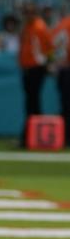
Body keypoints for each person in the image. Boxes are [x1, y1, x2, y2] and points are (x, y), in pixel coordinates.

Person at [18, 2, 53, 147]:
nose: (27, 15)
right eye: (25, 12)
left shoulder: (39, 27)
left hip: (36, 69)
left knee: (33, 103)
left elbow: (49, 48)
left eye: (30, 12)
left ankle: (32, 136)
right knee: (31, 103)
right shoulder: (27, 27)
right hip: (28, 68)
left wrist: (47, 64)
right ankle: (32, 136)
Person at [53, 9, 70, 146]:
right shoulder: (64, 25)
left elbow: (53, 46)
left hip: (63, 69)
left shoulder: (61, 25)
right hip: (66, 68)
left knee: (65, 105)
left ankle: (65, 136)